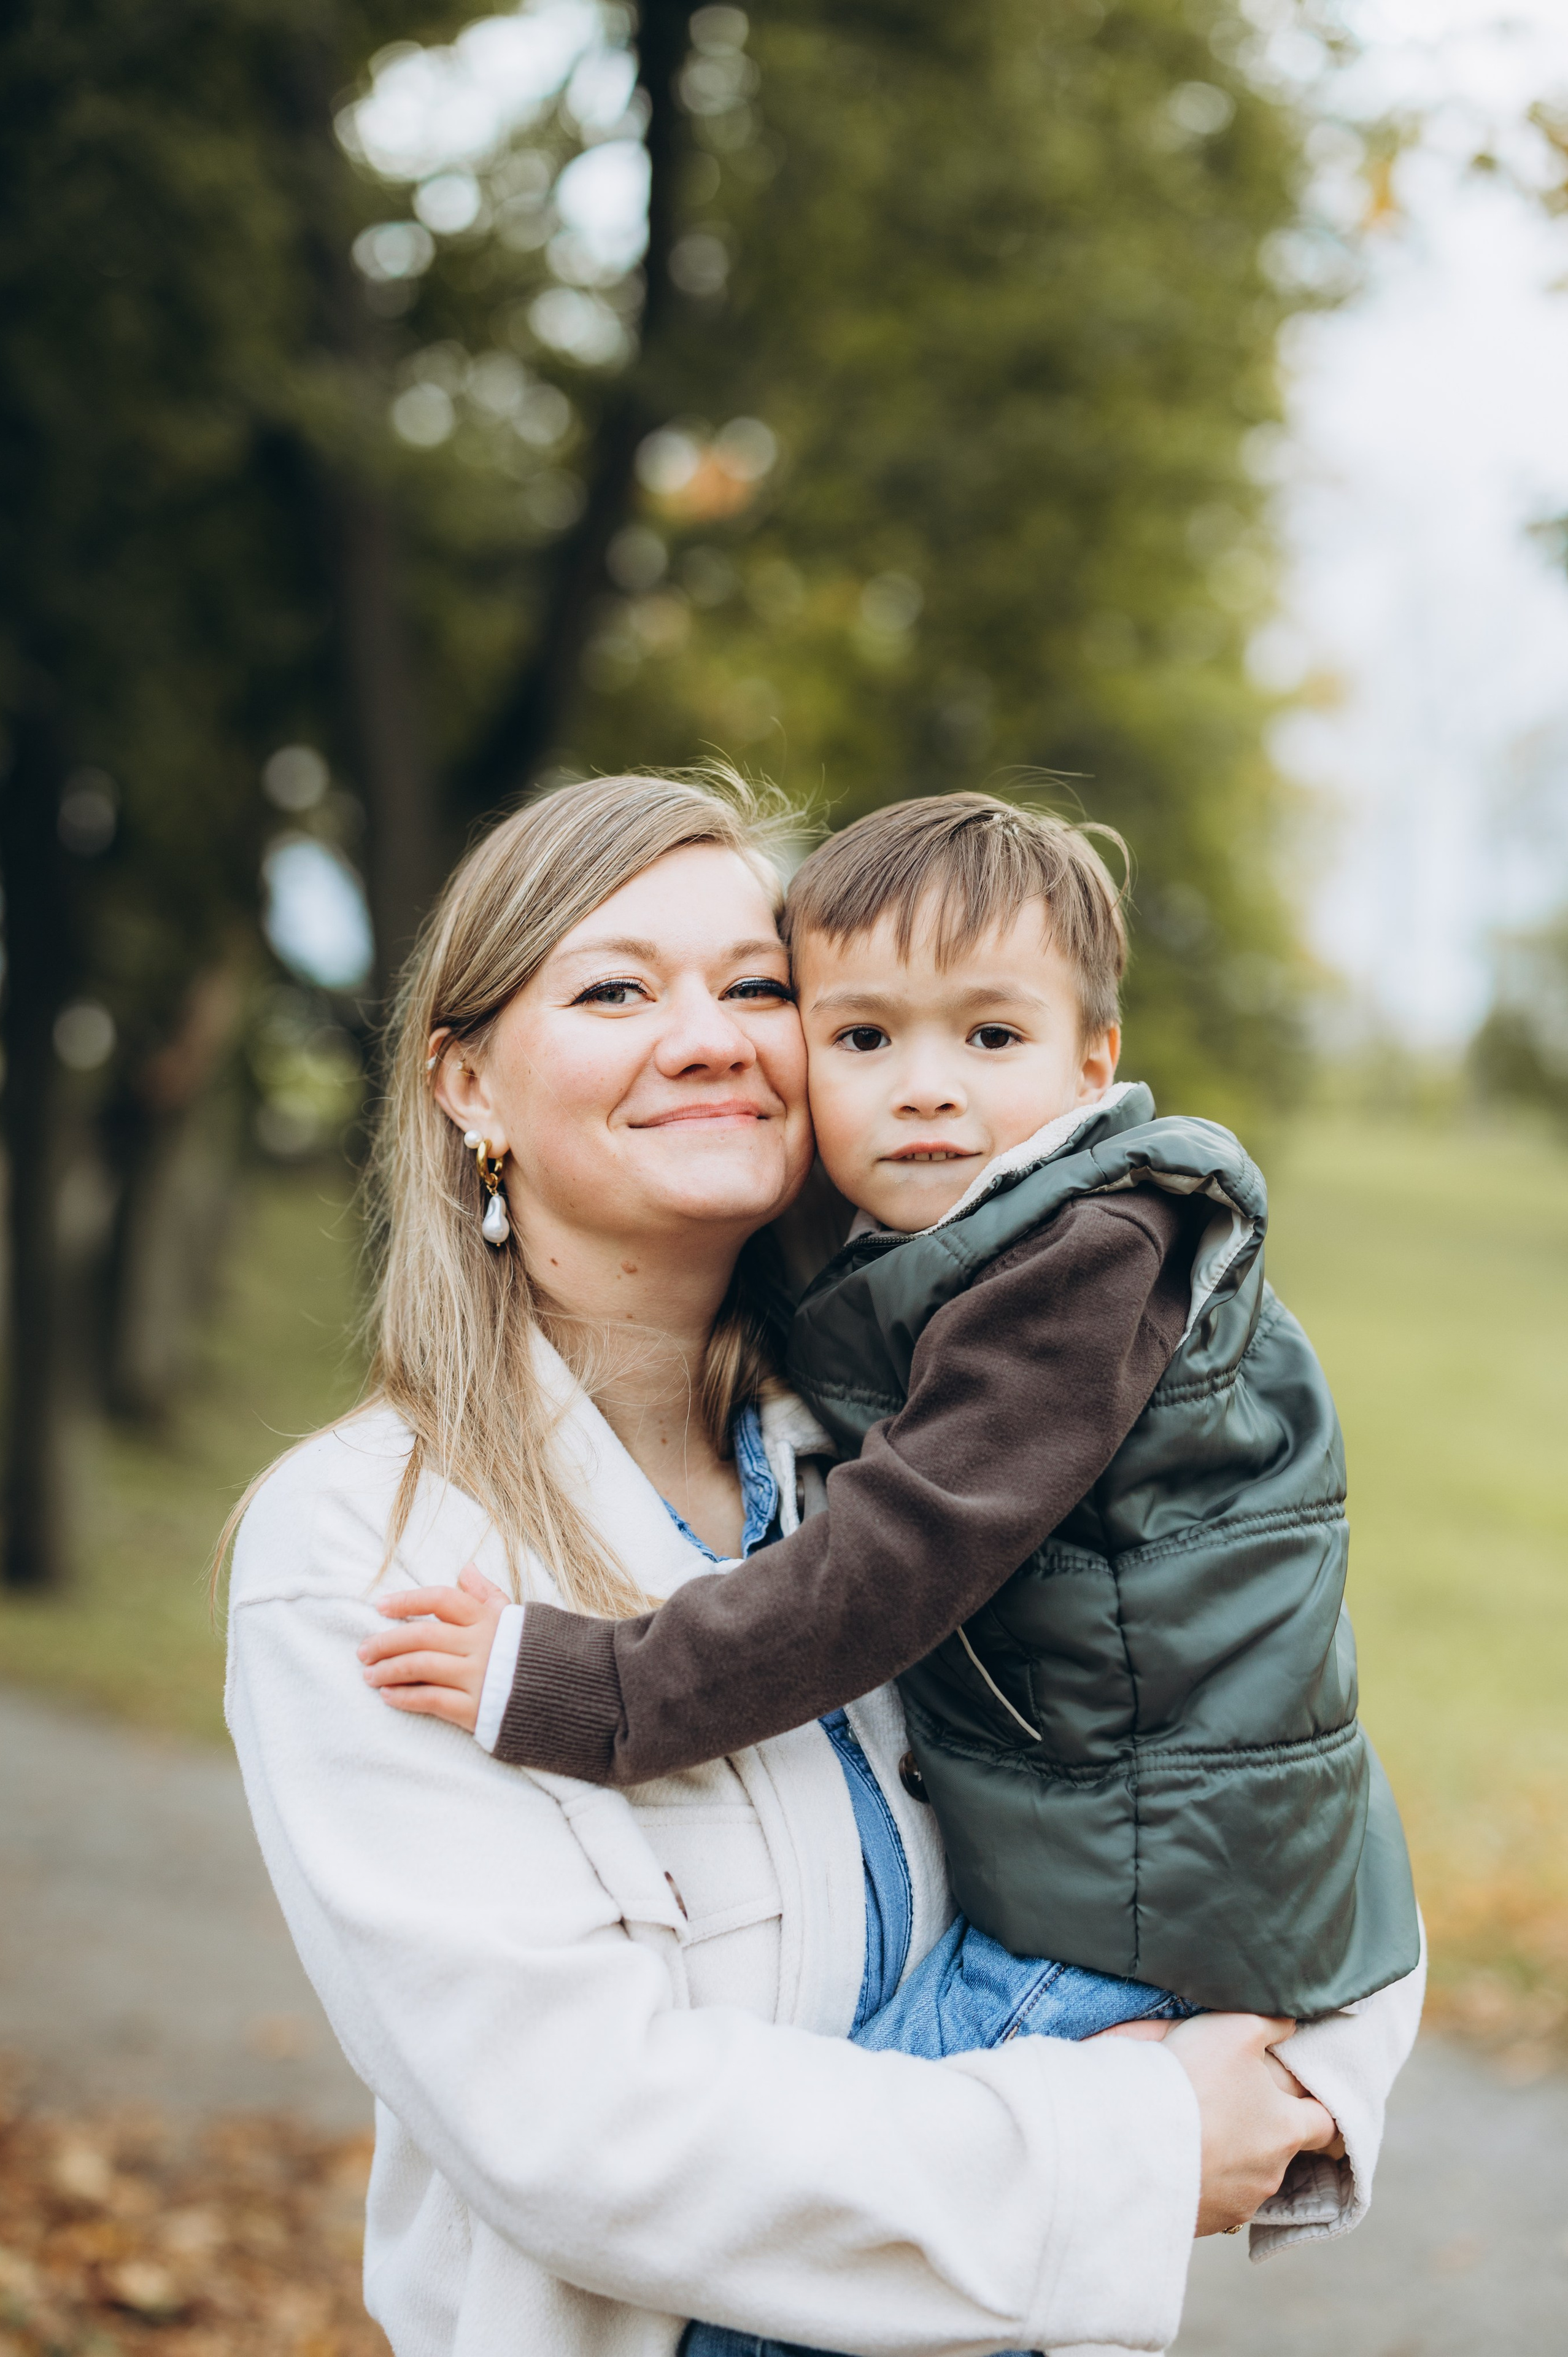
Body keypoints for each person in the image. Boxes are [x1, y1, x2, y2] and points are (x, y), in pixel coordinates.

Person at [228, 773, 1413, 2357]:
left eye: (756, 985)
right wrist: (1136, 2147)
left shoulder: (900, 1444)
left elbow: (1262, 1735)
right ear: (466, 1087)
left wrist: (1326, 2071)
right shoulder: (368, 1552)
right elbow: (583, 2140)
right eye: (616, 988)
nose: (714, 1032)